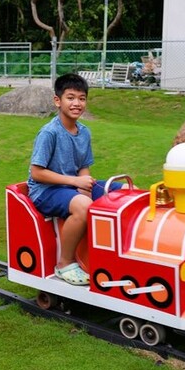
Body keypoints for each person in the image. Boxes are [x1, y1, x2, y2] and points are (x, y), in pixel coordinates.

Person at [27, 73, 120, 286]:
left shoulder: (84, 132)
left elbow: (83, 166)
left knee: (122, 192)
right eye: (70, 97)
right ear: (57, 101)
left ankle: (112, 254)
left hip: (71, 186)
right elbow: (37, 173)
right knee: (84, 206)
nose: (77, 103)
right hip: (45, 190)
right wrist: (76, 184)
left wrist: (84, 186)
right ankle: (64, 264)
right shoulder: (49, 133)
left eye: (82, 98)